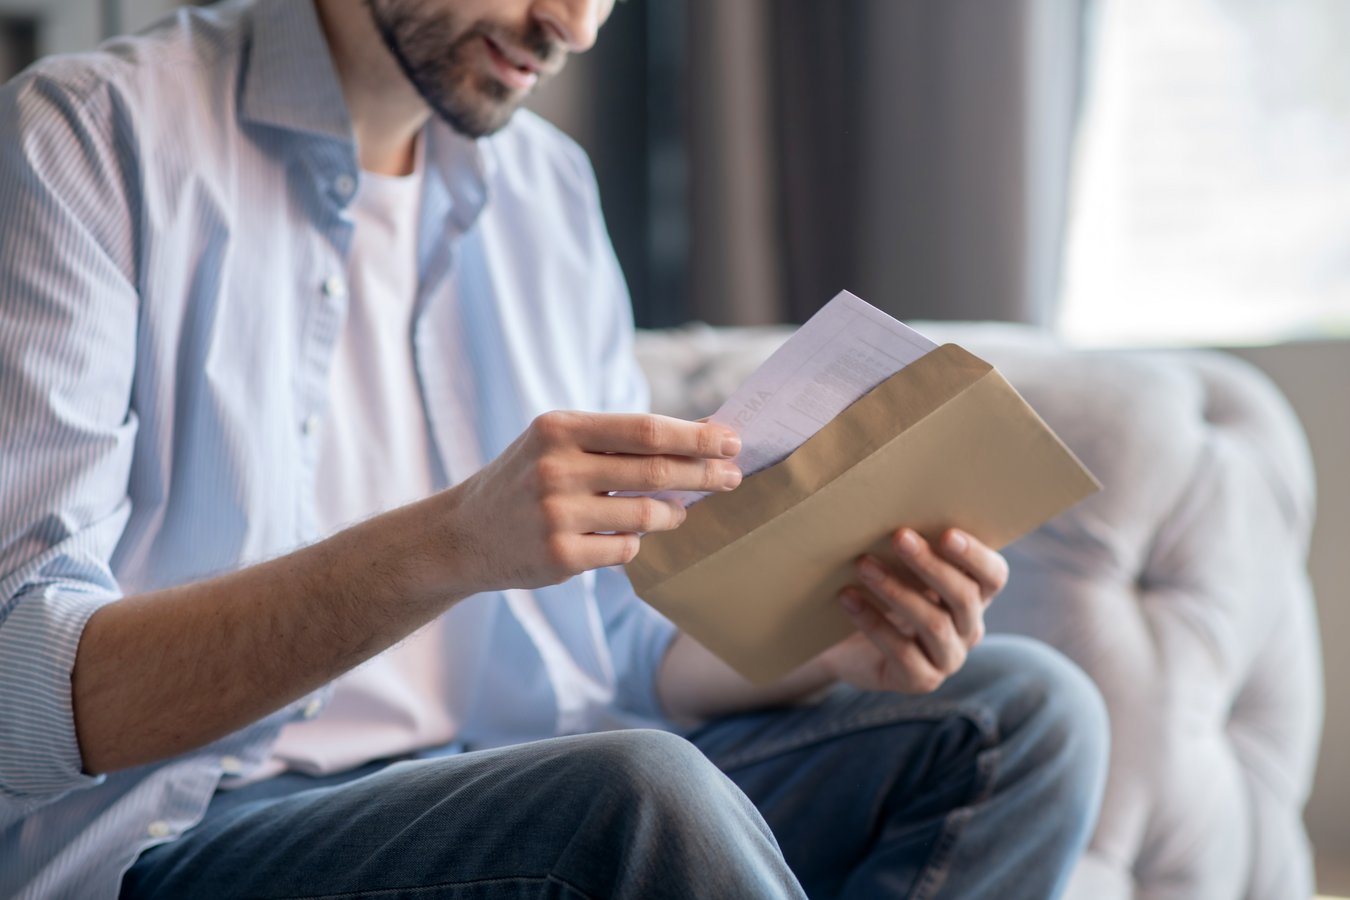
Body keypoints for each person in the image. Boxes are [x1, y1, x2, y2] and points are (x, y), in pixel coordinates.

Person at [0, 1, 1110, 897]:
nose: (575, 24)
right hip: (203, 834)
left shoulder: (547, 191)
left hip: (547, 776)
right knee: (634, 796)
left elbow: (620, 655)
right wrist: (449, 543)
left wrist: (837, 643)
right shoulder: (87, 140)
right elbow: (23, 689)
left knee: (1023, 715)